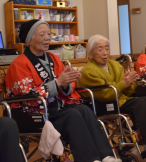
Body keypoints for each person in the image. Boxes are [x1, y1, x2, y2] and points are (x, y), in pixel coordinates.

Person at [5, 20, 121, 162]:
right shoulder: (19, 64)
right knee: (72, 114)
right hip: (34, 114)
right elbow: (27, 94)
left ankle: (106, 155)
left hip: (57, 109)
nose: (48, 37)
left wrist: (66, 83)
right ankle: (89, 159)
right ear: (29, 40)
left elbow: (65, 82)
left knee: (84, 110)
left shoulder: (53, 58)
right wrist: (58, 83)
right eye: (42, 34)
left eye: (49, 34)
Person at [78, 34, 146, 151]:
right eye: (100, 49)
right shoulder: (87, 71)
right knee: (138, 103)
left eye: (107, 48)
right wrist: (124, 84)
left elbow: (128, 91)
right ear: (90, 53)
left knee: (145, 100)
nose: (105, 52)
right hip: (103, 104)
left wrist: (131, 82)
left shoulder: (114, 65)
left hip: (120, 100)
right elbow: (105, 94)